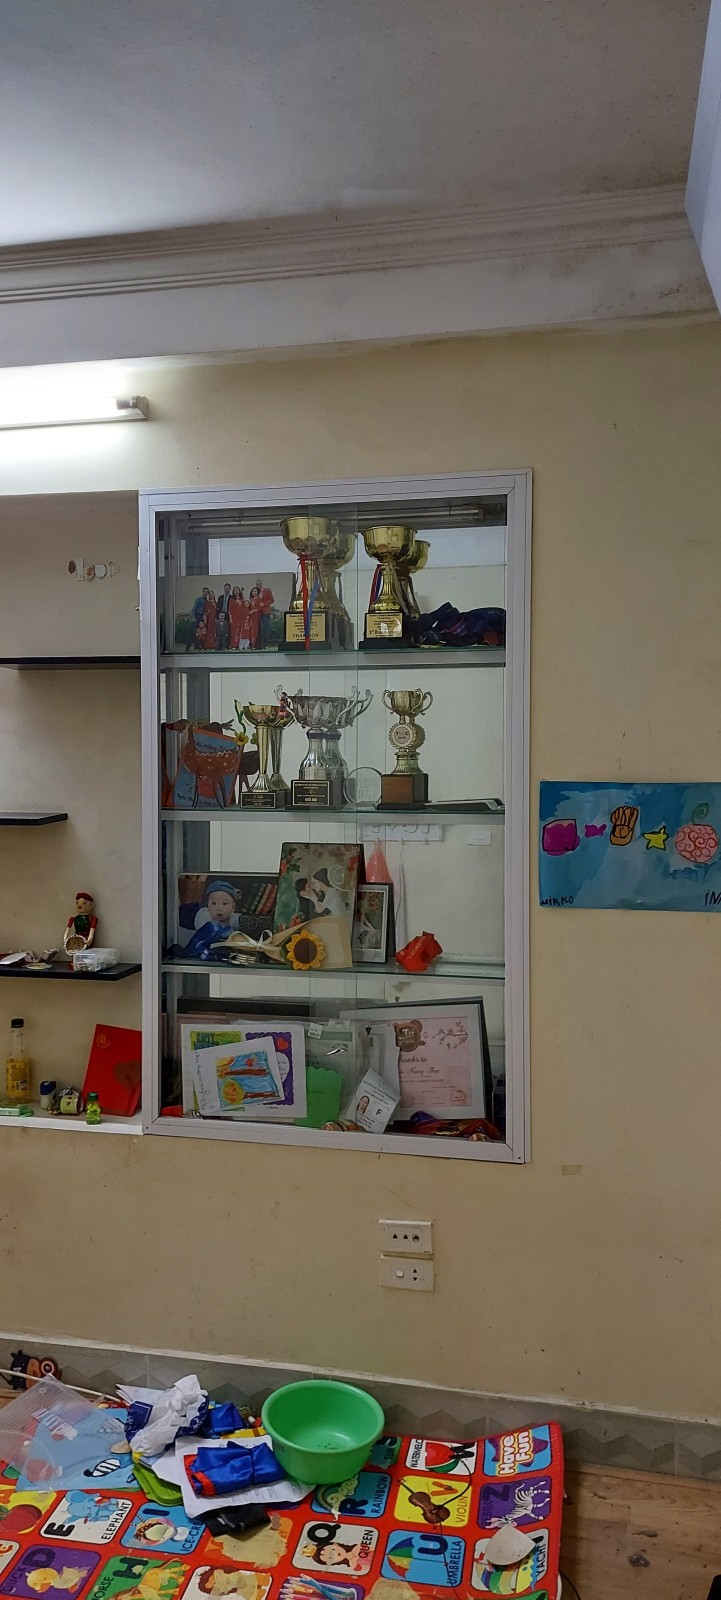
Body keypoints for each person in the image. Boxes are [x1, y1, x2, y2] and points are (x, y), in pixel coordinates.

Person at [185, 880, 239, 960]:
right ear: (208, 906)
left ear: (233, 907)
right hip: (190, 914)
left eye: (224, 904)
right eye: (214, 903)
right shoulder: (204, 918)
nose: (219, 908)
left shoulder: (235, 919)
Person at [254, 578, 275, 649]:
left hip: (265, 611)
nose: (258, 585)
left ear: (262, 584)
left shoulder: (267, 590)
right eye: (257, 584)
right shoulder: (255, 591)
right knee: (259, 628)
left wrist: (264, 604)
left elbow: (272, 600)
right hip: (258, 612)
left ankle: (265, 643)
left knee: (265, 627)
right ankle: (259, 644)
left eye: (259, 584)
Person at [228, 585, 247, 649]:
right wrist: (230, 618)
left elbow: (244, 607)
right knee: (234, 632)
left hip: (241, 618)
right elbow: (229, 610)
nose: (236, 591)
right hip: (234, 618)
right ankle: (234, 645)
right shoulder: (231, 600)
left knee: (240, 631)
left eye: (237, 590)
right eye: (235, 590)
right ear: (233, 592)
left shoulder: (242, 599)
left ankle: (240, 645)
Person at [216, 583, 233, 650]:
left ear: (230, 589)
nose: (226, 590)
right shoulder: (220, 597)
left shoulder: (232, 598)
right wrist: (216, 617)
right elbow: (217, 608)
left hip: (228, 615)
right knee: (220, 631)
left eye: (228, 588)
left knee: (227, 631)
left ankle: (227, 645)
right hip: (221, 615)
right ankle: (219, 645)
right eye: (225, 588)